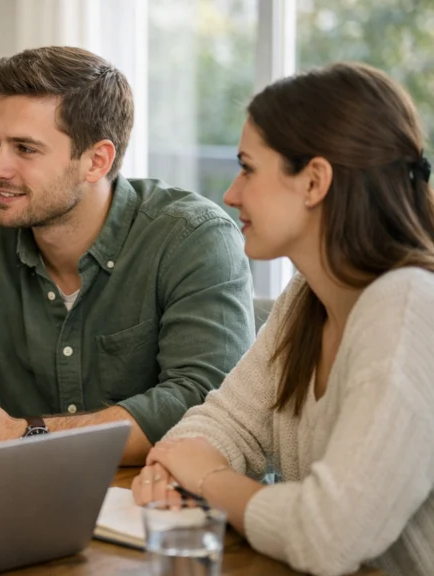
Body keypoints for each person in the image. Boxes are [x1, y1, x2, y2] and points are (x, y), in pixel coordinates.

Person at [0, 46, 255, 465]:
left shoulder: (192, 238)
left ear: (96, 161)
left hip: (172, 510)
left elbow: (205, 403)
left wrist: (25, 435)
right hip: (23, 503)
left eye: (25, 149)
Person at [132, 62, 434, 576]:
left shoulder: (408, 308)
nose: (230, 194)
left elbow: (328, 536)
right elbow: (227, 420)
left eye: (248, 168)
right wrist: (177, 462)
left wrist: (205, 479)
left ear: (314, 180)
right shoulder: (308, 296)